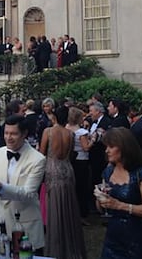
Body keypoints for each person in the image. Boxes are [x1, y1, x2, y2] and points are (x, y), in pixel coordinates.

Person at [95, 127, 142, 259]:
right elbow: (101, 209)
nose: (107, 151)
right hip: (112, 237)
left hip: (136, 238)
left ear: (124, 148)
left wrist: (120, 205)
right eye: (106, 147)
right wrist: (100, 199)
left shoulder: (140, 174)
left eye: (111, 147)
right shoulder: (108, 172)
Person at [0, 114, 46, 254]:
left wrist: (2, 187)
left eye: (13, 134)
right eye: (6, 133)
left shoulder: (37, 159)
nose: (8, 137)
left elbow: (28, 193)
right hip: (0, 224)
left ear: (24, 134)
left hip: (26, 227)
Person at [39, 105, 86, 259]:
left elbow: (41, 153)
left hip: (52, 169)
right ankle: (72, 245)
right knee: (69, 205)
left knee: (54, 205)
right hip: (67, 169)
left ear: (55, 116)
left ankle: (57, 248)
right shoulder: (70, 134)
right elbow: (71, 153)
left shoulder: (48, 131)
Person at [88, 101, 111, 187]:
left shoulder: (106, 122)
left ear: (98, 111)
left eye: (91, 111)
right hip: (94, 156)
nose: (90, 113)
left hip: (101, 156)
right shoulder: (93, 122)